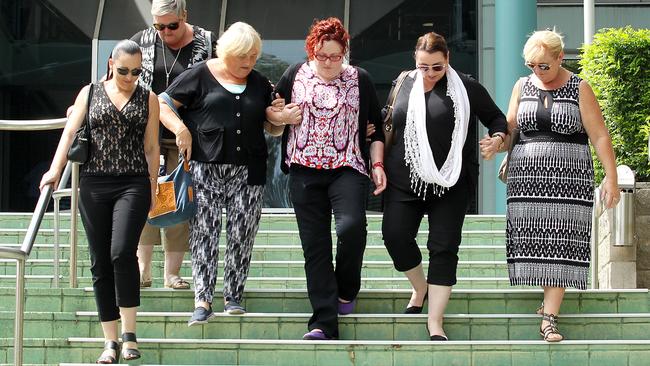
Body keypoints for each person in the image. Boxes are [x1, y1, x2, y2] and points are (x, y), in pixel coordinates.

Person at [381, 32, 507, 341]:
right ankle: (420, 287)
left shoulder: (466, 86)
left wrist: (497, 139)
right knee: (395, 237)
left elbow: (497, 118)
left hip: (451, 183)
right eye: (424, 67)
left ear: (447, 60)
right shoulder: (403, 83)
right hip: (404, 179)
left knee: (444, 248)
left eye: (436, 67)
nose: (430, 74)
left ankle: (434, 321)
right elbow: (388, 120)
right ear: (415, 60)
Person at [40, 40, 159, 363]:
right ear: (110, 64)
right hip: (94, 182)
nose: (129, 77)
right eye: (123, 70)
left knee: (122, 252)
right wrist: (55, 169)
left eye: (136, 72)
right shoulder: (89, 92)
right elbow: (69, 132)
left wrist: (152, 189)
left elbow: (151, 148)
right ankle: (109, 340)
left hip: (133, 182)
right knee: (99, 260)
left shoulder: (147, 97)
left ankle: (129, 333)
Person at [268, 17, 387, 341]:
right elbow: (271, 112)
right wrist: (282, 116)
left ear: (344, 53)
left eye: (336, 56)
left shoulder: (359, 79)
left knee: (351, 227)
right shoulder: (295, 75)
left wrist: (377, 165)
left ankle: (346, 289)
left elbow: (376, 129)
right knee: (316, 247)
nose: (330, 63)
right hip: (304, 170)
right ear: (312, 52)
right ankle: (323, 322)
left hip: (347, 166)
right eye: (323, 56)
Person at [498, 29, 619, 342]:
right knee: (540, 243)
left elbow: (600, 136)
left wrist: (612, 177)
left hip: (569, 179)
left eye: (543, 66)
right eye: (531, 66)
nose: (537, 72)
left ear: (559, 57)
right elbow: (510, 128)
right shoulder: (521, 86)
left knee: (561, 244)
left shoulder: (580, 88)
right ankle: (547, 300)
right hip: (527, 182)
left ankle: (549, 318)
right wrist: (495, 142)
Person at [159, 21, 283, 325]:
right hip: (206, 167)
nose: (248, 62)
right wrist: (180, 129)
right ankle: (203, 299)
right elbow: (162, 103)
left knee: (242, 234)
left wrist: (281, 118)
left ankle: (233, 296)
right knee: (205, 234)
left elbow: (273, 128)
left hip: (249, 170)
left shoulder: (260, 83)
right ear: (227, 52)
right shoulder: (200, 74)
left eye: (254, 56)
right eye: (243, 56)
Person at [131, 0, 215, 290]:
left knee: (179, 198)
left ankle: (172, 273)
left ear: (185, 16)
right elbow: (117, 76)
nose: (165, 31)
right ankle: (142, 269)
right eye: (159, 26)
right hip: (147, 135)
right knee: (145, 196)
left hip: (189, 134)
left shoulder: (206, 42)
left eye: (172, 25)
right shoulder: (140, 41)